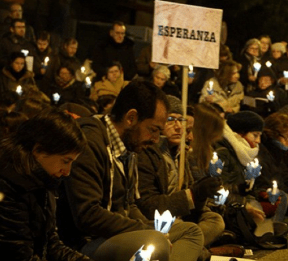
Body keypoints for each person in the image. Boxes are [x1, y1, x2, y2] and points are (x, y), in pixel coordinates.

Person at [57, 81, 204, 261]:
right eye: (153, 129)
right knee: (157, 241)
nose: (157, 139)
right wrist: (146, 231)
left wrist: (148, 228)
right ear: (131, 118)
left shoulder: (129, 146)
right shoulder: (89, 142)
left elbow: (130, 205)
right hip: (85, 243)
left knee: (191, 231)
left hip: (119, 234)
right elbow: (88, 215)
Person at [0, 109, 91, 260]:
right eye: (65, 161)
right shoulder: (8, 187)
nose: (67, 172)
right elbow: (17, 254)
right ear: (38, 150)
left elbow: (49, 243)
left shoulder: (42, 178)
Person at [137, 95, 224, 247]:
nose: (178, 126)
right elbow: (149, 205)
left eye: (181, 120)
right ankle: (194, 248)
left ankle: (189, 245)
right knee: (188, 229)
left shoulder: (181, 154)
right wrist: (194, 194)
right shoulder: (147, 153)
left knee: (214, 220)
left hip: (181, 215)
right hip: (160, 218)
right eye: (170, 119)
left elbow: (191, 199)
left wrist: (203, 192)